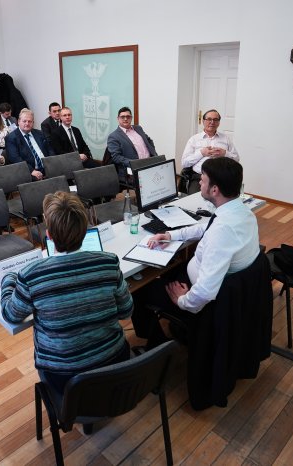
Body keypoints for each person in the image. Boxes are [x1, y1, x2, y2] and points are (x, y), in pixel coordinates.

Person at [1, 191, 133, 392]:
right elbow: (127, 311)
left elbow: (10, 314)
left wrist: (9, 279)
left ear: (49, 235)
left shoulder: (31, 276)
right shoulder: (108, 262)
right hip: (115, 362)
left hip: (65, 378)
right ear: (85, 230)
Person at [131, 157, 259, 349]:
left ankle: (158, 346)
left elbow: (205, 292)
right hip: (223, 289)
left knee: (139, 291)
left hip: (202, 299)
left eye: (203, 179)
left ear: (214, 190)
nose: (199, 183)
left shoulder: (222, 232)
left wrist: (182, 300)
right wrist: (170, 235)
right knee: (168, 269)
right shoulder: (240, 212)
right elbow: (206, 228)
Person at [180, 109, 240, 194]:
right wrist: (201, 153)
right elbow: (184, 163)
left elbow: (236, 159)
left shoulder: (225, 139)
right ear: (203, 121)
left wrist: (225, 153)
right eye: (209, 119)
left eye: (215, 119)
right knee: (194, 199)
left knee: (228, 197)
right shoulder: (194, 139)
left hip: (221, 178)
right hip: (199, 177)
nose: (212, 122)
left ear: (219, 123)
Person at [107, 106, 157, 183]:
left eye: (128, 116)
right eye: (122, 117)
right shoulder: (114, 136)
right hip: (132, 171)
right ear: (118, 119)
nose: (125, 119)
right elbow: (116, 157)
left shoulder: (138, 128)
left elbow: (149, 140)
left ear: (131, 118)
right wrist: (135, 164)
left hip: (149, 165)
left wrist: (153, 153)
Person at [4, 108, 54, 180]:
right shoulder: (11, 138)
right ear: (18, 121)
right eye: (24, 121)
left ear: (33, 122)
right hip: (29, 172)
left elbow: (50, 149)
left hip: (47, 168)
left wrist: (52, 163)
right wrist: (31, 171)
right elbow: (15, 159)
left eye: (30, 121)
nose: (27, 124)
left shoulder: (39, 133)